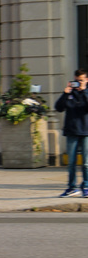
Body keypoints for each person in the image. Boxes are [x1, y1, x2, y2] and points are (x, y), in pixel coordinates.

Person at [54, 69, 88, 198]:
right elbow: (58, 108)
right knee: (71, 162)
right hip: (71, 130)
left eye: (81, 80)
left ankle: (86, 186)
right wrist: (65, 93)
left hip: (86, 131)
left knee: (86, 162)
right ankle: (72, 187)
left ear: (86, 80)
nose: (78, 83)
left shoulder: (87, 92)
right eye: (77, 80)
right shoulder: (70, 93)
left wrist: (84, 91)